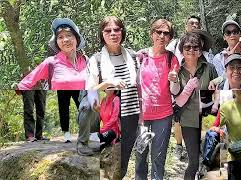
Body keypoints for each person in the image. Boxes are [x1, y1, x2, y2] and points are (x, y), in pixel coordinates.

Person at [84, 16, 140, 172]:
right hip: (111, 117)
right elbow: (90, 91)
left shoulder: (133, 56)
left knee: (124, 161)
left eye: (117, 29)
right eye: (108, 30)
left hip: (132, 114)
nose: (113, 33)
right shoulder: (96, 60)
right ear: (102, 34)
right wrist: (108, 83)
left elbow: (140, 86)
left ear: (122, 32)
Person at [135, 18, 179, 180]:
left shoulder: (171, 59)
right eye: (158, 32)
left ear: (170, 38)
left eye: (166, 33)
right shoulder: (140, 56)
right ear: (151, 34)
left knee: (158, 158)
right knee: (140, 156)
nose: (161, 36)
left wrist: (174, 79)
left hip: (164, 116)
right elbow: (133, 85)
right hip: (142, 117)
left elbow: (174, 90)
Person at [170, 32, 217, 179]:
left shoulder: (209, 68)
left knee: (210, 163)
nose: (191, 50)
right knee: (194, 161)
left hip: (207, 120)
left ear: (200, 49)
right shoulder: (178, 70)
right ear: (182, 50)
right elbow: (175, 96)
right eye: (187, 47)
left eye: (195, 47)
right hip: (188, 120)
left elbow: (218, 92)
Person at [17, 18, 87, 90]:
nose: (65, 40)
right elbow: (24, 85)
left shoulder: (86, 60)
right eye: (60, 37)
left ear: (76, 38)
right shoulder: (51, 62)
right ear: (57, 42)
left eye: (69, 35)